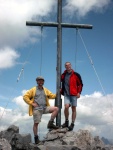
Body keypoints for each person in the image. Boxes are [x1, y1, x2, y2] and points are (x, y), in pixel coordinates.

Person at [23, 76, 59, 144]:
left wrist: (58, 93)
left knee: (56, 109)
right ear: (37, 81)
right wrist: (32, 103)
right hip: (37, 109)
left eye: (42, 81)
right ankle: (36, 138)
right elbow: (25, 97)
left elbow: (52, 95)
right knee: (36, 123)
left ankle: (50, 123)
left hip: (45, 107)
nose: (40, 82)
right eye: (39, 81)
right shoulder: (33, 89)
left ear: (43, 82)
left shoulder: (45, 90)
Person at [61, 62, 83, 131]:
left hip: (74, 94)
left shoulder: (76, 75)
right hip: (67, 94)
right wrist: (61, 90)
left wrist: (79, 92)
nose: (68, 66)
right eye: (66, 65)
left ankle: (72, 124)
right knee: (66, 106)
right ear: (65, 67)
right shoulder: (63, 75)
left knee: (73, 109)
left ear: (71, 66)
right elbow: (61, 82)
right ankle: (66, 121)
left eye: (69, 65)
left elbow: (80, 84)